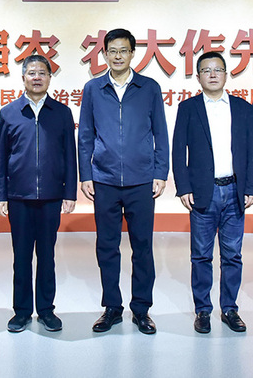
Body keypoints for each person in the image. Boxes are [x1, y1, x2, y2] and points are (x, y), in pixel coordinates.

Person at [78, 28, 169, 335]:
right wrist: (86, 174)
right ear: (104, 54)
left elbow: (160, 133)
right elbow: (85, 136)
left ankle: (141, 309)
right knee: (107, 246)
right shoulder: (93, 88)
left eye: (123, 50)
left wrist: (160, 172)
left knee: (142, 246)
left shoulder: (149, 87)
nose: (117, 56)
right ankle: (112, 307)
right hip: (104, 180)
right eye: (112, 51)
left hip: (141, 180)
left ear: (133, 53)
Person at [172, 51, 253, 334]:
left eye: (218, 69)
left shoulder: (243, 108)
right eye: (206, 70)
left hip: (235, 191)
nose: (212, 74)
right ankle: (203, 310)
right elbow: (178, 151)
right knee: (201, 255)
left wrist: (251, 187)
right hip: (203, 192)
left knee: (233, 255)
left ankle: (230, 309)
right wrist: (184, 187)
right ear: (198, 77)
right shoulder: (188, 108)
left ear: (226, 74)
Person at [0, 55, 77, 333]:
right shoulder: (9, 112)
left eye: (42, 73)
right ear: (23, 78)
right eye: (32, 73)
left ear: (50, 78)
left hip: (51, 196)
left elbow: (70, 154)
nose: (37, 77)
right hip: (19, 197)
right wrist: (0, 194)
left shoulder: (62, 112)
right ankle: (21, 312)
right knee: (21, 257)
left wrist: (70, 192)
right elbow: (1, 157)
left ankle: (46, 310)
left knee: (47, 256)